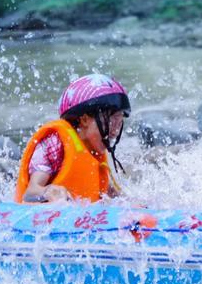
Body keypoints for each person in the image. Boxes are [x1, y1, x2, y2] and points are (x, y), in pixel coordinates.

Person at [15, 74, 130, 203]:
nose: (115, 131)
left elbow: (113, 195)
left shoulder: (94, 154)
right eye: (110, 122)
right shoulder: (55, 143)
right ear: (85, 119)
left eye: (119, 123)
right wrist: (48, 192)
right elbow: (30, 193)